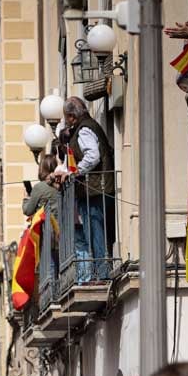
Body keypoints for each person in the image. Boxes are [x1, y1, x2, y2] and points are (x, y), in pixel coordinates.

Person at [56, 96, 114, 282]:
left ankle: (102, 274)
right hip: (94, 188)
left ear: (72, 116)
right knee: (95, 232)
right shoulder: (86, 127)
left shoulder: (84, 130)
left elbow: (92, 156)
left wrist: (74, 172)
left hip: (94, 189)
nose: (66, 121)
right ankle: (100, 271)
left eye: (66, 117)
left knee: (95, 233)